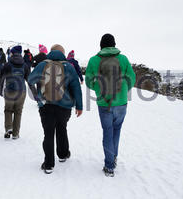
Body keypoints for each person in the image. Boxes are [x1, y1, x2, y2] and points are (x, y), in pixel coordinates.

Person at [85, 33, 136, 177]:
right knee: (116, 130)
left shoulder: (94, 60)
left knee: (107, 132)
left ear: (101, 45)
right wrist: (124, 90)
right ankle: (113, 158)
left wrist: (98, 88)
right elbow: (132, 78)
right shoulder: (123, 58)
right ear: (114, 44)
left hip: (103, 102)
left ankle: (109, 166)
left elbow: (89, 81)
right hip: (121, 102)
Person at [28, 44, 83, 174]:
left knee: (48, 133)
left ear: (51, 52)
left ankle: (48, 164)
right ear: (63, 53)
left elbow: (30, 80)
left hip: (46, 105)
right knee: (61, 128)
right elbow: (76, 87)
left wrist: (39, 91)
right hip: (64, 106)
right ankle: (63, 154)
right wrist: (79, 106)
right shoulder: (69, 66)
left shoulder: (42, 65)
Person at [0, 45, 35, 139]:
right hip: (21, 91)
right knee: (18, 112)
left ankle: (8, 128)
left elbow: (1, 78)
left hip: (10, 91)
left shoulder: (7, 64)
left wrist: (0, 90)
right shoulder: (25, 65)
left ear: (12, 53)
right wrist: (35, 93)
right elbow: (30, 80)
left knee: (8, 110)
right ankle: (15, 134)